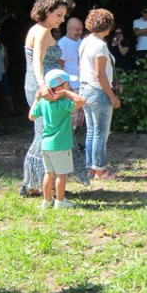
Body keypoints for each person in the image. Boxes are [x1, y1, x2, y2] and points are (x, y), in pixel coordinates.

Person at [22, 0, 78, 196]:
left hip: (43, 85)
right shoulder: (43, 32)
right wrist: (42, 85)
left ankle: (41, 184)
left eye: (64, 16)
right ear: (47, 12)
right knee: (46, 133)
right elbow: (37, 60)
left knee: (45, 131)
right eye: (59, 15)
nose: (62, 20)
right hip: (43, 87)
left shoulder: (37, 29)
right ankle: (35, 185)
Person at [29, 69, 86, 209]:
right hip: (61, 145)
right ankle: (60, 201)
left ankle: (47, 201)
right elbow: (82, 101)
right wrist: (67, 93)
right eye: (68, 84)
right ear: (60, 87)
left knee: (49, 173)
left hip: (46, 144)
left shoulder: (43, 102)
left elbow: (31, 116)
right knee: (61, 175)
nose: (70, 86)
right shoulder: (63, 103)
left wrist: (36, 99)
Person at [79, 9, 121, 180]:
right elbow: (100, 74)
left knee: (91, 131)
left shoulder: (85, 42)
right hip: (98, 91)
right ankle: (100, 171)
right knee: (100, 133)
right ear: (107, 25)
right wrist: (112, 96)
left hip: (85, 89)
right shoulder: (100, 45)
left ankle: (91, 168)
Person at [58, 17, 85, 140]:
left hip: (81, 84)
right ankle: (69, 144)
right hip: (71, 86)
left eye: (81, 29)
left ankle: (74, 144)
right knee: (70, 118)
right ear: (68, 29)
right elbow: (59, 67)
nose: (80, 32)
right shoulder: (62, 44)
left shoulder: (80, 42)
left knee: (79, 120)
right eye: (77, 30)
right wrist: (65, 86)